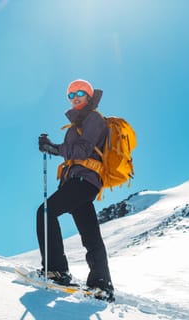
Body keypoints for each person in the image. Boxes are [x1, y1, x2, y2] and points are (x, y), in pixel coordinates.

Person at [37, 79, 114, 301]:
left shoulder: (93, 118)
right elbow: (76, 154)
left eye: (80, 92)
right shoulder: (79, 122)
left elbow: (82, 150)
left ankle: (57, 271)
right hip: (81, 181)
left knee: (45, 212)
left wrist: (53, 148)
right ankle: (102, 284)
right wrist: (53, 147)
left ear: (89, 96)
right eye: (71, 94)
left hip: (84, 180)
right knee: (90, 234)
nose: (75, 96)